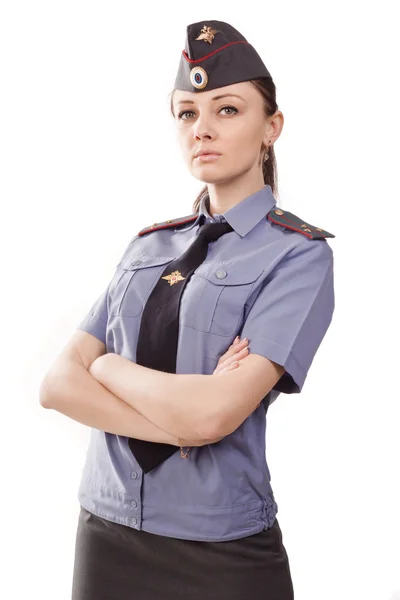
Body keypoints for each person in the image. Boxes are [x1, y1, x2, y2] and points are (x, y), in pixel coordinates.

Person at [39, 19, 335, 600]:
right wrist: (186, 420)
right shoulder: (148, 246)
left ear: (271, 126)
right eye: (186, 113)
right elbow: (55, 387)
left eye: (226, 110)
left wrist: (107, 369)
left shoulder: (298, 257)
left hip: (220, 546)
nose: (202, 129)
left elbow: (212, 417)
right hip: (106, 528)